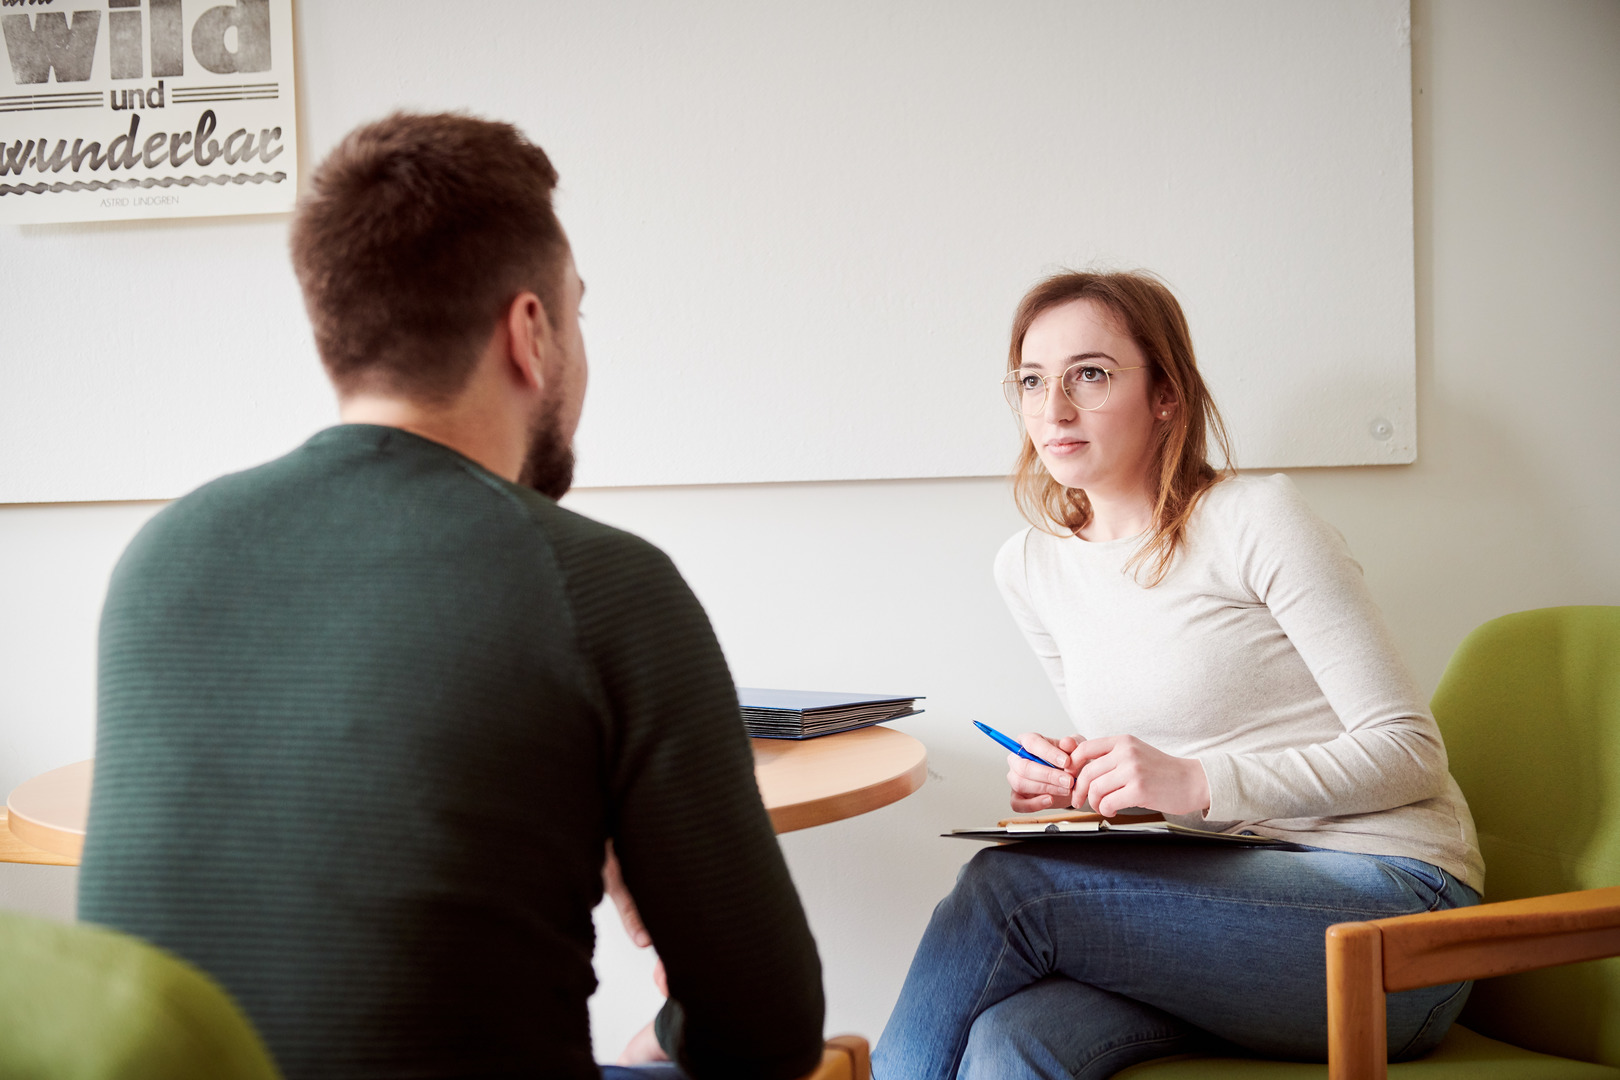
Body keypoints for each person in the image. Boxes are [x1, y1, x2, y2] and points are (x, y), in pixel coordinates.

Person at [76, 112, 824, 1080]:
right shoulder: (604, 588)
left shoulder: (159, 561)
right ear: (530, 334)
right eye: (577, 314)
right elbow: (764, 1031)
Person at [872, 271, 1484, 1080]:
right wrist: (1080, 782)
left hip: (1393, 922)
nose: (1053, 407)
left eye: (1090, 374)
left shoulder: (1255, 520)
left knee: (1010, 889)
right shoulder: (1030, 568)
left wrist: (1194, 780)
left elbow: (1410, 753)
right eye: (1031, 379)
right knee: (1013, 1039)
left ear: (1165, 393)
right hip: (1221, 907)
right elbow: (1166, 783)